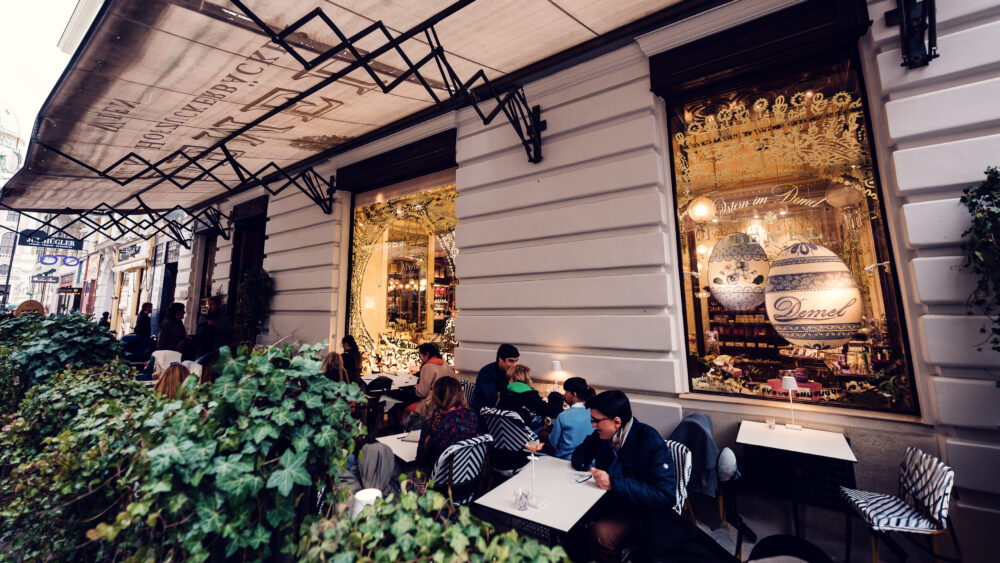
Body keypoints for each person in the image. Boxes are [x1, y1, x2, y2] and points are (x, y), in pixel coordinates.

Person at [571, 390, 677, 563]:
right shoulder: (604, 435)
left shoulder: (649, 441)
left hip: (638, 510)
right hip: (607, 500)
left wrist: (614, 484)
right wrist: (587, 464)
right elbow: (579, 457)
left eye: (596, 421)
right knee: (570, 518)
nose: (592, 425)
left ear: (617, 422)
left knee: (600, 534)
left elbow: (665, 497)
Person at [415, 376, 479, 472]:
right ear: (460, 394)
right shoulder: (472, 416)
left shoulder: (431, 424)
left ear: (435, 396)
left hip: (437, 482)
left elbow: (421, 462)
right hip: (467, 478)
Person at [496, 364, 563, 433]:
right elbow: (552, 412)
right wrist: (556, 397)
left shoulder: (503, 393)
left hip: (507, 430)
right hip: (526, 433)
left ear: (511, 379)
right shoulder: (531, 395)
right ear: (527, 379)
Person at [548, 377, 595, 459]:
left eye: (566, 391)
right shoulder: (594, 414)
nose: (565, 395)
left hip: (564, 460)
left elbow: (553, 442)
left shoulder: (563, 416)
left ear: (574, 394)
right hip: (589, 462)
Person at [410, 343, 456, 417]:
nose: (420, 359)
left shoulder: (427, 367)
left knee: (406, 406)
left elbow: (422, 393)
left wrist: (418, 388)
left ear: (427, 354)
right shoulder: (446, 364)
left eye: (420, 355)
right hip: (450, 402)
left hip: (434, 405)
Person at [471, 343, 519, 414]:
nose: (514, 365)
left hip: (503, 412)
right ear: (500, 358)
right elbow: (491, 398)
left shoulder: (510, 372)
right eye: (511, 361)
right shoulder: (486, 372)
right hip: (485, 414)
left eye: (516, 361)